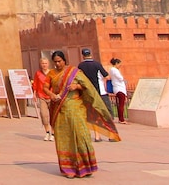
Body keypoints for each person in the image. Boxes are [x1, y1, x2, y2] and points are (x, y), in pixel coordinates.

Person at [45, 50, 119, 179]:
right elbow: (45, 87)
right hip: (60, 110)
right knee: (64, 138)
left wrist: (76, 87)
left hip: (76, 109)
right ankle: (69, 169)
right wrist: (52, 95)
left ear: (64, 60)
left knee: (81, 135)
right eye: (55, 62)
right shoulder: (51, 74)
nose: (57, 64)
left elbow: (88, 87)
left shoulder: (74, 72)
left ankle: (86, 166)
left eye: (59, 61)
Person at [77, 47, 113, 139]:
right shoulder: (97, 64)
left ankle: (97, 135)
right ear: (90, 54)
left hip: (88, 92)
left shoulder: (81, 66)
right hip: (100, 92)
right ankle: (110, 134)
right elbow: (107, 76)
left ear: (83, 56)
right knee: (105, 113)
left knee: (93, 114)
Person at [32, 57, 55, 141]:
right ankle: (47, 132)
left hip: (51, 96)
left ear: (48, 64)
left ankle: (53, 133)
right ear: (40, 64)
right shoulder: (38, 73)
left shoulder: (52, 73)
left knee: (53, 115)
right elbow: (35, 84)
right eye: (43, 63)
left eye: (45, 63)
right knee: (43, 114)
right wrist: (34, 94)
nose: (44, 65)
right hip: (42, 96)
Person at [109, 58, 128, 124]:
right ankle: (121, 119)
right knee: (121, 104)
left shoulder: (111, 70)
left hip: (116, 88)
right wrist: (123, 79)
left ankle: (121, 118)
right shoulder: (115, 70)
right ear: (116, 63)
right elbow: (120, 78)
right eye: (119, 64)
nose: (120, 66)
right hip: (120, 88)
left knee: (120, 104)